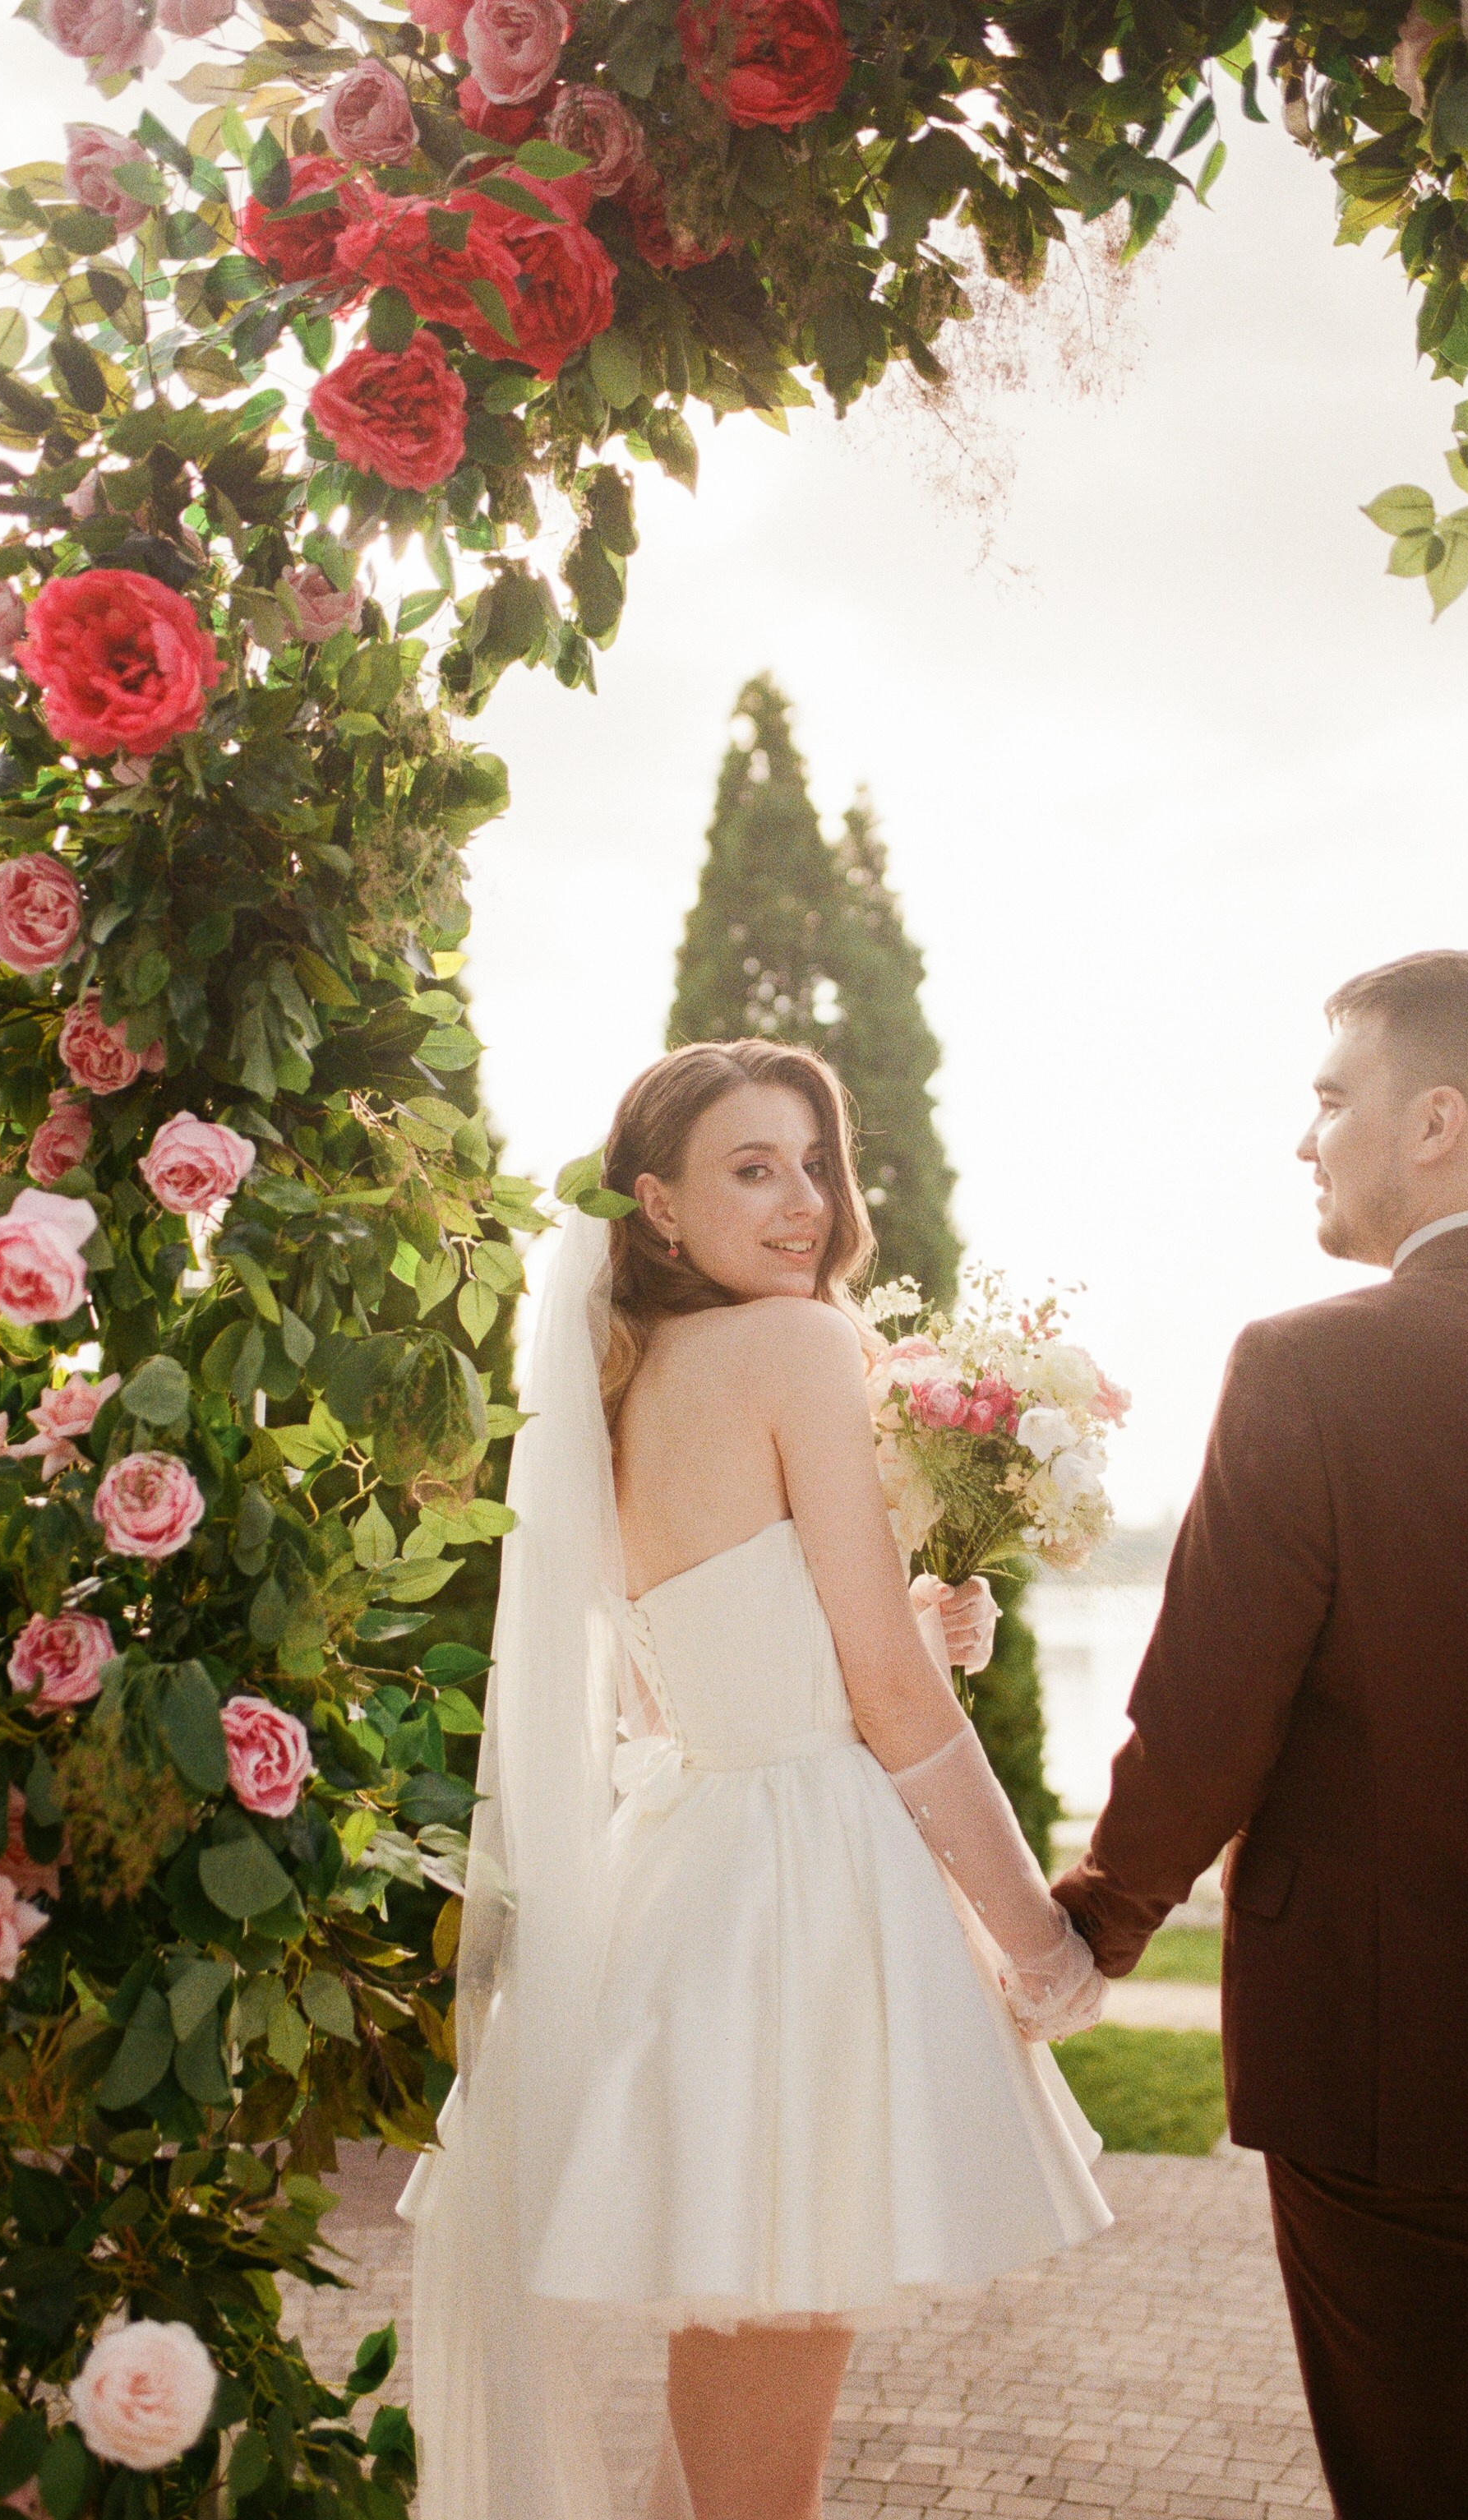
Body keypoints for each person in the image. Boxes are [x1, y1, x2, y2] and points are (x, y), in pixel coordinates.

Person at [402, 1038, 1108, 2520]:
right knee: (760, 2468)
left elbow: (687, 1678)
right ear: (657, 1203)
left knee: (727, 2432)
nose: (806, 1202)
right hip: (799, 1909)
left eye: (815, 1163)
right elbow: (886, 1694)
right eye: (752, 1168)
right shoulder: (795, 1346)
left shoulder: (623, 1387)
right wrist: (1038, 1938)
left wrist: (906, 1613)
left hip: (699, 1872)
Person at [1053, 950, 1468, 2520]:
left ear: (1436, 1122)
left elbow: (1208, 1718)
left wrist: (1099, 1918)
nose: (1306, 1139)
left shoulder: (1309, 1370)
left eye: (1333, 1099)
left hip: (1385, 2062)